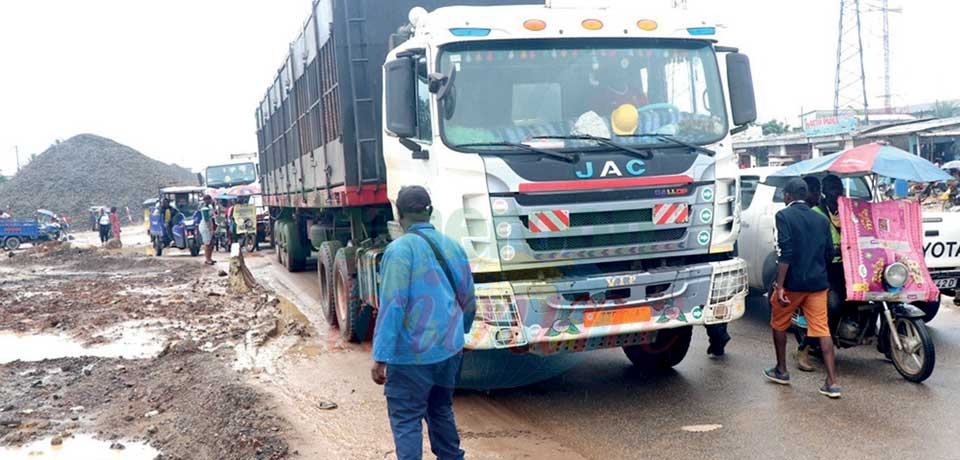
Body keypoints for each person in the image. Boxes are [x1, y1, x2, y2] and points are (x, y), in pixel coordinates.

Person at [371, 186, 476, 460]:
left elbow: (393, 306)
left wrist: (381, 356)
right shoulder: (453, 246)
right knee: (440, 410)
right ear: (429, 211)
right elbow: (469, 300)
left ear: (399, 214)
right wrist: (458, 334)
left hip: (411, 358)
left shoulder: (399, 251)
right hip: (448, 352)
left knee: (407, 420)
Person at [764, 178, 841, 399]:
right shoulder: (820, 220)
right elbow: (829, 253)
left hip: (792, 284)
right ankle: (831, 383)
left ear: (787, 196)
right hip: (817, 284)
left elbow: (784, 252)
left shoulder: (783, 216)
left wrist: (779, 285)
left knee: (779, 323)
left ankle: (781, 370)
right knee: (822, 329)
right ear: (806, 195)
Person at [794, 176, 824, 372]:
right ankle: (804, 347)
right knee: (831, 308)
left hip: (847, 266)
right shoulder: (815, 215)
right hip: (823, 267)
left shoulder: (844, 211)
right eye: (818, 190)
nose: (820, 194)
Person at [199, 195, 215, 265]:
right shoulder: (204, 209)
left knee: (211, 243)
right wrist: (210, 228)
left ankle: (210, 257)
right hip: (205, 227)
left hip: (209, 226)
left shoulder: (210, 207)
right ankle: (207, 259)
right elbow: (206, 220)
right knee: (207, 243)